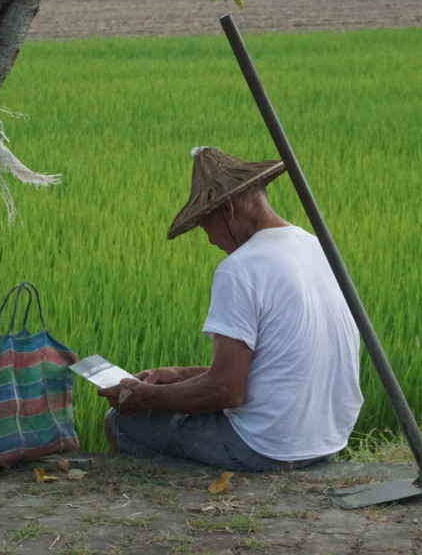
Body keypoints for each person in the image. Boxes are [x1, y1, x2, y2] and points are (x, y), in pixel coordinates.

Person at [98, 146, 363, 471]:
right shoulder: (315, 245)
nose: (209, 240)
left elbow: (227, 390)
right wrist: (175, 375)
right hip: (326, 439)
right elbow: (275, 368)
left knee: (121, 423)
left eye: (204, 224)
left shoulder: (240, 268)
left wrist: (143, 396)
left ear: (227, 209)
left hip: (266, 447)